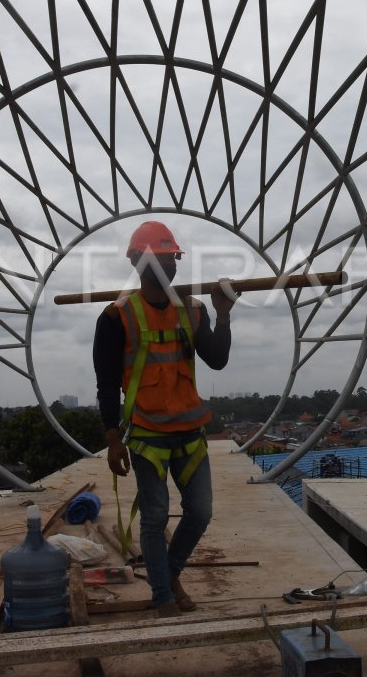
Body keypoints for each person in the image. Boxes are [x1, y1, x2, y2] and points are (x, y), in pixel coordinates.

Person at [93, 220, 237, 616]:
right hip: (148, 435)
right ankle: (162, 597)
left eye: (172, 257)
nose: (168, 264)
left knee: (200, 513)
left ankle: (168, 575)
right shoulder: (115, 317)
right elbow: (107, 384)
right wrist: (113, 439)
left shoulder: (192, 310)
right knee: (154, 518)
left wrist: (223, 315)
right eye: (159, 257)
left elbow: (217, 359)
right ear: (138, 262)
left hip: (190, 433)